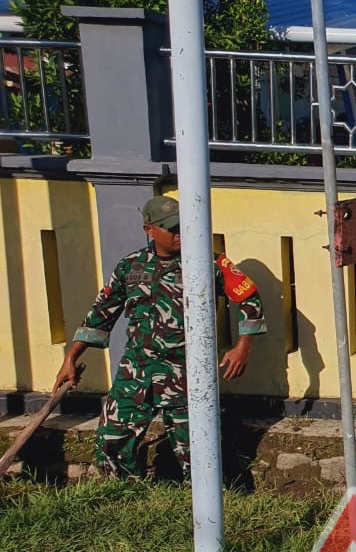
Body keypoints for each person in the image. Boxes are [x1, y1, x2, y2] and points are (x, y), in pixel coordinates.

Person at [54, 195, 267, 479]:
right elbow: (101, 313)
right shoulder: (131, 266)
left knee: (198, 448)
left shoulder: (207, 262)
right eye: (172, 228)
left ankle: (211, 507)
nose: (181, 234)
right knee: (113, 438)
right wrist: (71, 357)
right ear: (149, 229)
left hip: (187, 371)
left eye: (184, 226)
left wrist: (242, 347)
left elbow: (249, 297)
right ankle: (125, 494)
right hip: (137, 369)